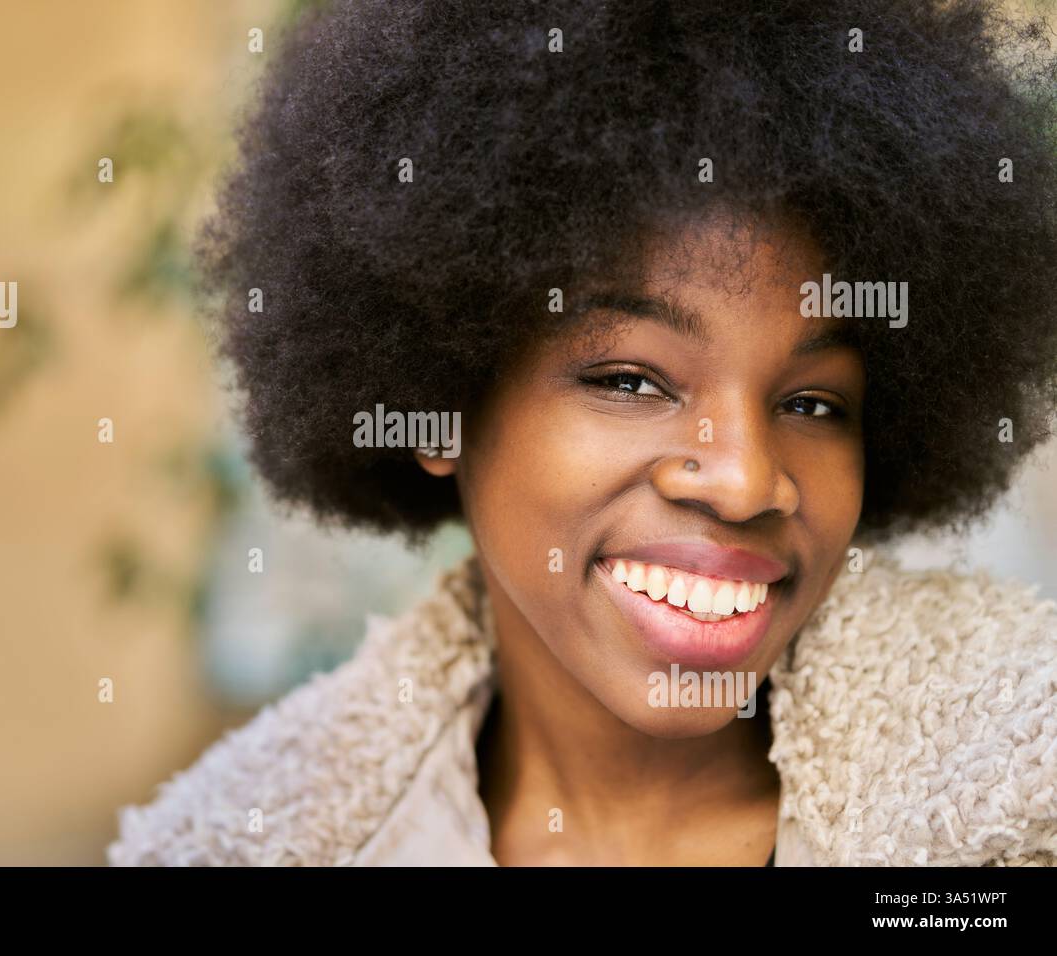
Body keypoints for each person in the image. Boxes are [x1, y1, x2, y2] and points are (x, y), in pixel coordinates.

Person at [109, 0, 1057, 866]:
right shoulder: (248, 841)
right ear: (438, 397)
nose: (741, 479)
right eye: (631, 380)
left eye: (813, 403)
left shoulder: (1011, 813)